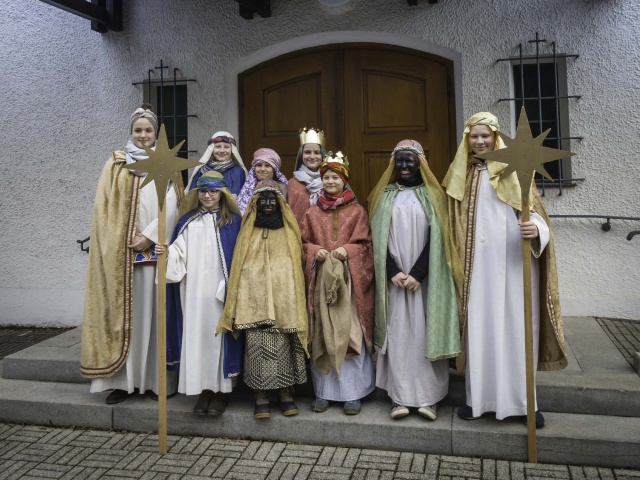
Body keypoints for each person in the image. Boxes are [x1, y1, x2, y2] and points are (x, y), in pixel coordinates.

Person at [442, 112, 567, 428]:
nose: (480, 141)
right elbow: (451, 223)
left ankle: (525, 404)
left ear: (496, 137)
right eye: (474, 136)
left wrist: (536, 230)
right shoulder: (463, 175)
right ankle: (478, 400)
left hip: (514, 268)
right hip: (477, 271)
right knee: (480, 330)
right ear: (467, 141)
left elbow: (538, 215)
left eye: (485, 136)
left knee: (517, 330)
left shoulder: (516, 171)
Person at [81, 104, 180, 404]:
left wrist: (150, 236)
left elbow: (174, 203)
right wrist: (124, 238)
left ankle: (152, 380)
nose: (143, 135)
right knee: (126, 317)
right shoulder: (116, 164)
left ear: (155, 133)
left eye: (148, 130)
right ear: (131, 132)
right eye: (138, 130)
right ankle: (123, 383)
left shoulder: (165, 164)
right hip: (122, 256)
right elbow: (105, 207)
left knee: (153, 317)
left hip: (152, 254)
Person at [369, 139, 462, 420]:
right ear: (393, 165)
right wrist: (394, 271)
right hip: (394, 281)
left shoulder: (434, 196)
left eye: (410, 160)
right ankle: (399, 398)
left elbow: (440, 239)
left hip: (425, 283)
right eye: (400, 161)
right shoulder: (382, 196)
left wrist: (418, 274)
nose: (405, 165)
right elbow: (374, 239)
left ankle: (428, 399)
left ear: (421, 163)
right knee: (398, 336)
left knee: (424, 335)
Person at [217, 179, 308, 419]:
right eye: (263, 199)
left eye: (272, 199)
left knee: (285, 347)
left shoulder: (290, 229)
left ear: (280, 203)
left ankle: (286, 393)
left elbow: (297, 264)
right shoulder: (248, 230)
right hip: (254, 300)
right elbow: (239, 266)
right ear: (256, 203)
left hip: (284, 298)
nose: (268, 204)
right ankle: (261, 395)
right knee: (258, 347)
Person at [157, 171, 243, 416]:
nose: (207, 195)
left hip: (220, 292)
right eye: (203, 191)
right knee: (197, 337)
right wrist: (167, 252)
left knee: (219, 338)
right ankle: (203, 390)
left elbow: (240, 256)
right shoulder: (187, 221)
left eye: (213, 191)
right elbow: (178, 255)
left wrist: (231, 286)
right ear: (197, 193)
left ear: (222, 194)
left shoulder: (234, 222)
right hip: (193, 293)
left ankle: (222, 392)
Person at [300, 152, 375, 415]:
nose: (330, 181)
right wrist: (313, 251)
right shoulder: (311, 213)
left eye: (335, 177)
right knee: (323, 331)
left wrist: (349, 251)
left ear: (344, 180)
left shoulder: (357, 212)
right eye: (326, 177)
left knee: (348, 330)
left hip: (348, 284)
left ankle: (353, 393)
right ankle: (323, 392)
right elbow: (302, 242)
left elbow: (365, 244)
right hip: (321, 283)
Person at [187, 131, 247, 196]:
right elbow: (192, 195)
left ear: (232, 150)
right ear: (212, 149)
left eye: (226, 147)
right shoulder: (201, 170)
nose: (222, 151)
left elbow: (236, 198)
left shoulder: (238, 172)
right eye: (218, 147)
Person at [288, 128, 327, 223]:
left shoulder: (332, 181)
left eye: (317, 153)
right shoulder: (293, 184)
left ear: (322, 155)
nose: (312, 157)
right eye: (307, 152)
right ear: (301, 154)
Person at [236, 148, 288, 214]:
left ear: (274, 170)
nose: (262, 169)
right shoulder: (247, 189)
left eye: (267, 166)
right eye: (259, 165)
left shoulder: (283, 188)